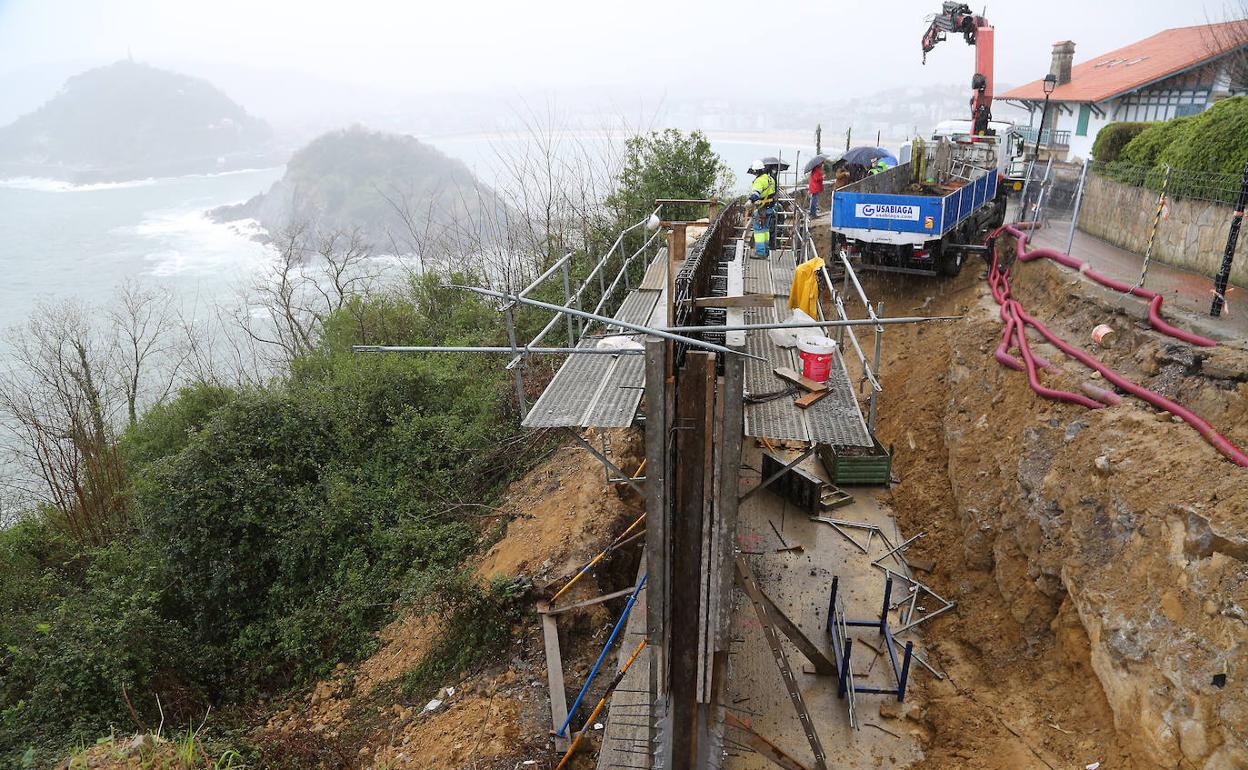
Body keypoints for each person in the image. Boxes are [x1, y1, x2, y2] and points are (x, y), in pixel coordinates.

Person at [748, 161, 776, 258]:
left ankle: (760, 253)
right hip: (770, 208)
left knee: (758, 230)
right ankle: (766, 251)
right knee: (765, 230)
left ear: (756, 170)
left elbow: (756, 194)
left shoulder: (759, 180)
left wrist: (749, 201)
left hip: (761, 209)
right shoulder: (770, 179)